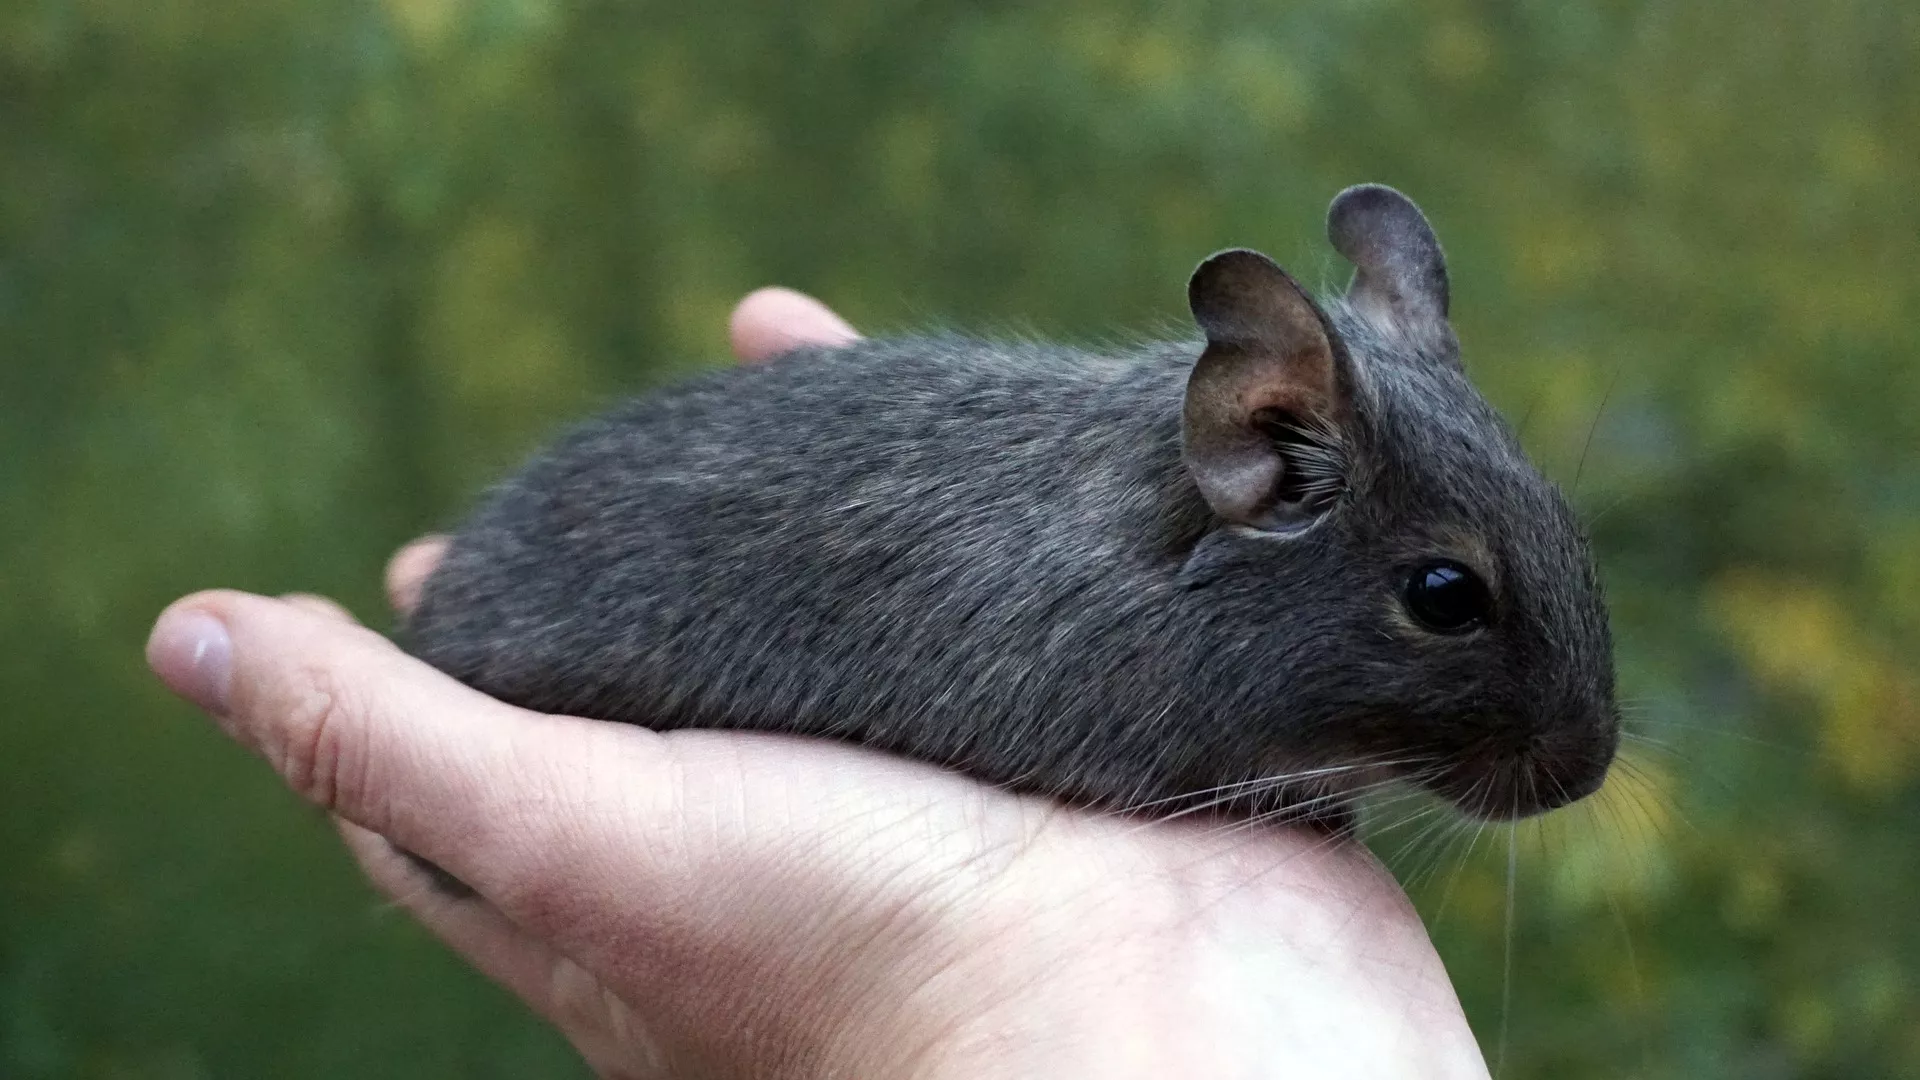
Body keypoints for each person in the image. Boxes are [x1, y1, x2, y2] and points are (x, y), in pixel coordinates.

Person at [146, 288, 1491, 1079]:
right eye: (1443, 604)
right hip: (539, 633)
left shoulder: (1174, 614)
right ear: (1258, 448)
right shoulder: (1132, 640)